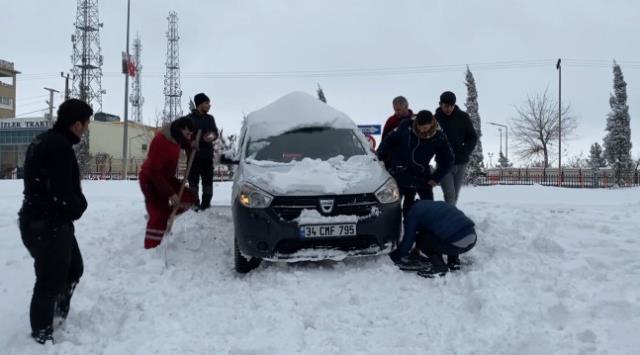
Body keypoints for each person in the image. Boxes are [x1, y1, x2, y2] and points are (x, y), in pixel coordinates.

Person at [18, 99, 92, 344]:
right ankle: (40, 335)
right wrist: (79, 205)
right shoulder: (57, 146)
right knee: (50, 281)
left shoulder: (47, 140)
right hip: (45, 224)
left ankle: (58, 316)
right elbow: (62, 192)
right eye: (86, 123)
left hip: (47, 222)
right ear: (77, 124)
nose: (87, 128)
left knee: (73, 269)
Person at [377, 110, 454, 216]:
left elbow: (448, 160)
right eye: (419, 128)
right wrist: (379, 156)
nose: (421, 131)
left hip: (421, 176)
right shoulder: (405, 125)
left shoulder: (439, 136)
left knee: (428, 207)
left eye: (425, 128)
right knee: (393, 207)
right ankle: (396, 229)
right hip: (400, 172)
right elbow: (388, 140)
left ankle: (422, 228)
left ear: (431, 124)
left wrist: (436, 178)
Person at [139, 116, 198, 249]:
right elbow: (155, 172)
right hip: (151, 181)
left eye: (191, 135)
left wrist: (190, 144)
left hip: (166, 178)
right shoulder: (160, 141)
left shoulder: (176, 138)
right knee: (159, 217)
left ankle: (163, 214)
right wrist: (171, 194)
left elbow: (182, 142)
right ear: (179, 129)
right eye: (188, 134)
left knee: (189, 198)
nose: (189, 137)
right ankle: (151, 249)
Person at [389, 200, 477, 277]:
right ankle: (453, 262)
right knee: (448, 229)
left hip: (455, 243)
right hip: (472, 239)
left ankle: (439, 266)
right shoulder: (434, 205)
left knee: (421, 239)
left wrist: (392, 257)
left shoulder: (413, 213)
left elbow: (407, 243)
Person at [434, 91, 478, 206]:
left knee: (455, 195)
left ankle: (450, 216)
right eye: (446, 106)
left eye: (451, 106)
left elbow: (472, 137)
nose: (448, 109)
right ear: (440, 104)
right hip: (443, 163)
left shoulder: (463, 117)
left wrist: (464, 151)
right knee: (450, 194)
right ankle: (451, 220)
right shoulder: (435, 119)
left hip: (461, 162)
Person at [186, 93, 219, 210]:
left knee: (208, 181)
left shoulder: (210, 119)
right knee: (193, 182)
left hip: (207, 156)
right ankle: (194, 204)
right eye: (207, 103)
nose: (209, 105)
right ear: (200, 104)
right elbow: (183, 136)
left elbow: (215, 132)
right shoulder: (189, 119)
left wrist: (211, 136)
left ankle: (206, 204)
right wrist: (190, 142)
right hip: (193, 157)